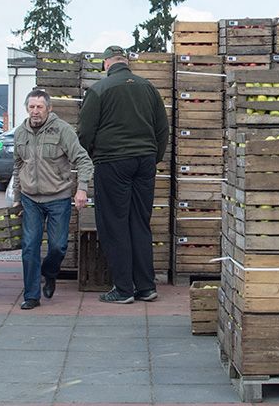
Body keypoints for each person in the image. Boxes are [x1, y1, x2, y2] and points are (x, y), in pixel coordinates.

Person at [77, 46, 169, 304]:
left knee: (114, 223)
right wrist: (153, 156)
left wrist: (97, 154)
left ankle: (123, 289)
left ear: (106, 64)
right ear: (126, 62)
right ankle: (146, 287)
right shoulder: (148, 88)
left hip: (112, 162)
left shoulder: (99, 90)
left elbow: (85, 132)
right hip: (145, 162)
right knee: (139, 222)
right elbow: (162, 128)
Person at [12, 89, 93, 309]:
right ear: (26, 108)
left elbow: (83, 160)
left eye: (39, 107)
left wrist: (82, 189)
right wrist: (17, 196)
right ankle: (31, 296)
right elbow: (18, 165)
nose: (35, 111)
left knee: (58, 247)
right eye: (31, 107)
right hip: (30, 199)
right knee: (29, 246)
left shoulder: (62, 131)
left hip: (58, 197)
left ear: (49, 109)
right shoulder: (20, 133)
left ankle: (49, 273)